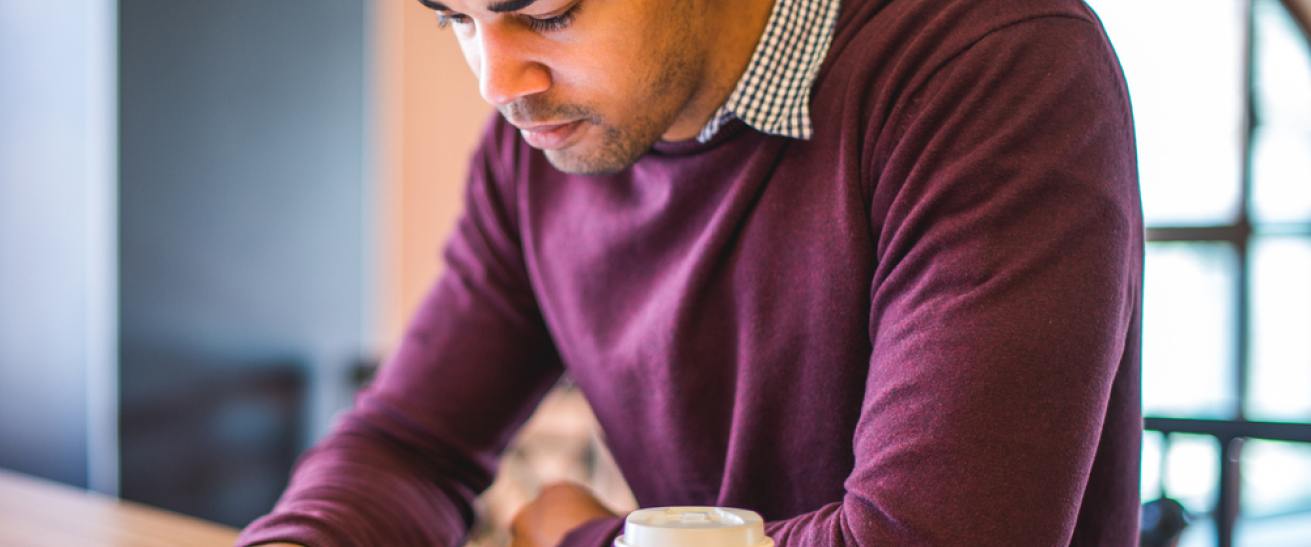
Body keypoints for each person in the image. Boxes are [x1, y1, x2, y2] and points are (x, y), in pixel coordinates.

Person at [239, 0, 1143, 544]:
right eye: (454, 19)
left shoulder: (991, 68)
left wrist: (582, 539)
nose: (497, 81)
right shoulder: (535, 155)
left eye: (548, 12)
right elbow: (408, 445)